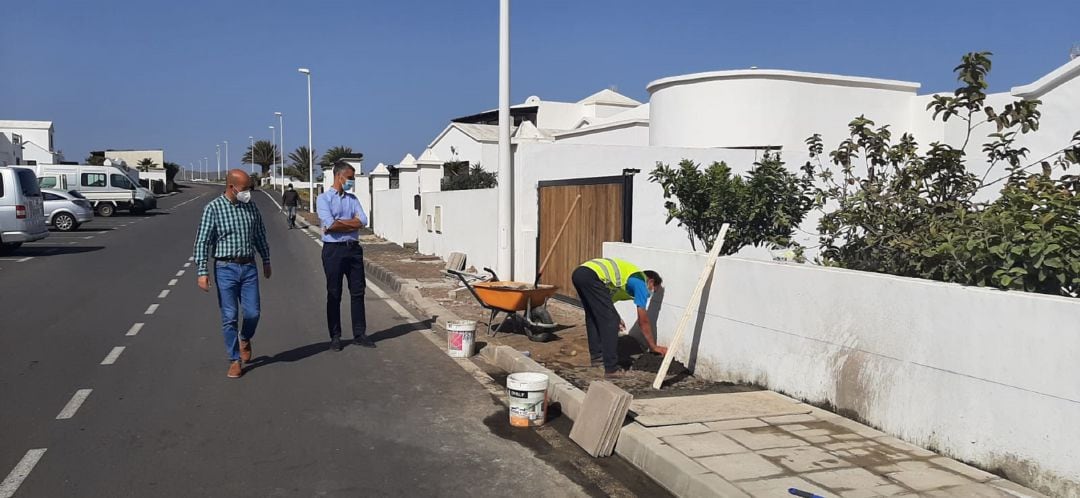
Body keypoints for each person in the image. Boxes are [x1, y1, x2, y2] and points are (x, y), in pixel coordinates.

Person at [192, 169, 272, 379]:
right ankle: (234, 359)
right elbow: (202, 241)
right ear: (231, 187)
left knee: (253, 312)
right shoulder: (213, 209)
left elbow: (260, 236)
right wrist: (202, 271)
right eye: (245, 189)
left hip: (248, 267)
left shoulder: (251, 207)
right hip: (225, 268)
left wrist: (266, 260)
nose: (248, 193)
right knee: (229, 316)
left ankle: (245, 337)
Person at [572, 258, 665, 379]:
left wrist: (616, 316)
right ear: (651, 281)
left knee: (593, 316)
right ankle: (611, 368)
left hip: (579, 274)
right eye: (653, 289)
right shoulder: (640, 281)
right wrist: (653, 347)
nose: (651, 292)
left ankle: (597, 359)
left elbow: (606, 305)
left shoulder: (623, 284)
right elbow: (643, 320)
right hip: (591, 275)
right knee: (610, 322)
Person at [317, 162, 372, 351]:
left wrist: (341, 223)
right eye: (350, 178)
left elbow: (364, 220)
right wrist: (352, 224)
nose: (352, 181)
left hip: (353, 249)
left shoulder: (353, 199)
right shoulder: (323, 199)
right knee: (334, 293)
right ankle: (335, 336)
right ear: (339, 176)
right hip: (333, 250)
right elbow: (329, 225)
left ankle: (360, 333)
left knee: (358, 291)